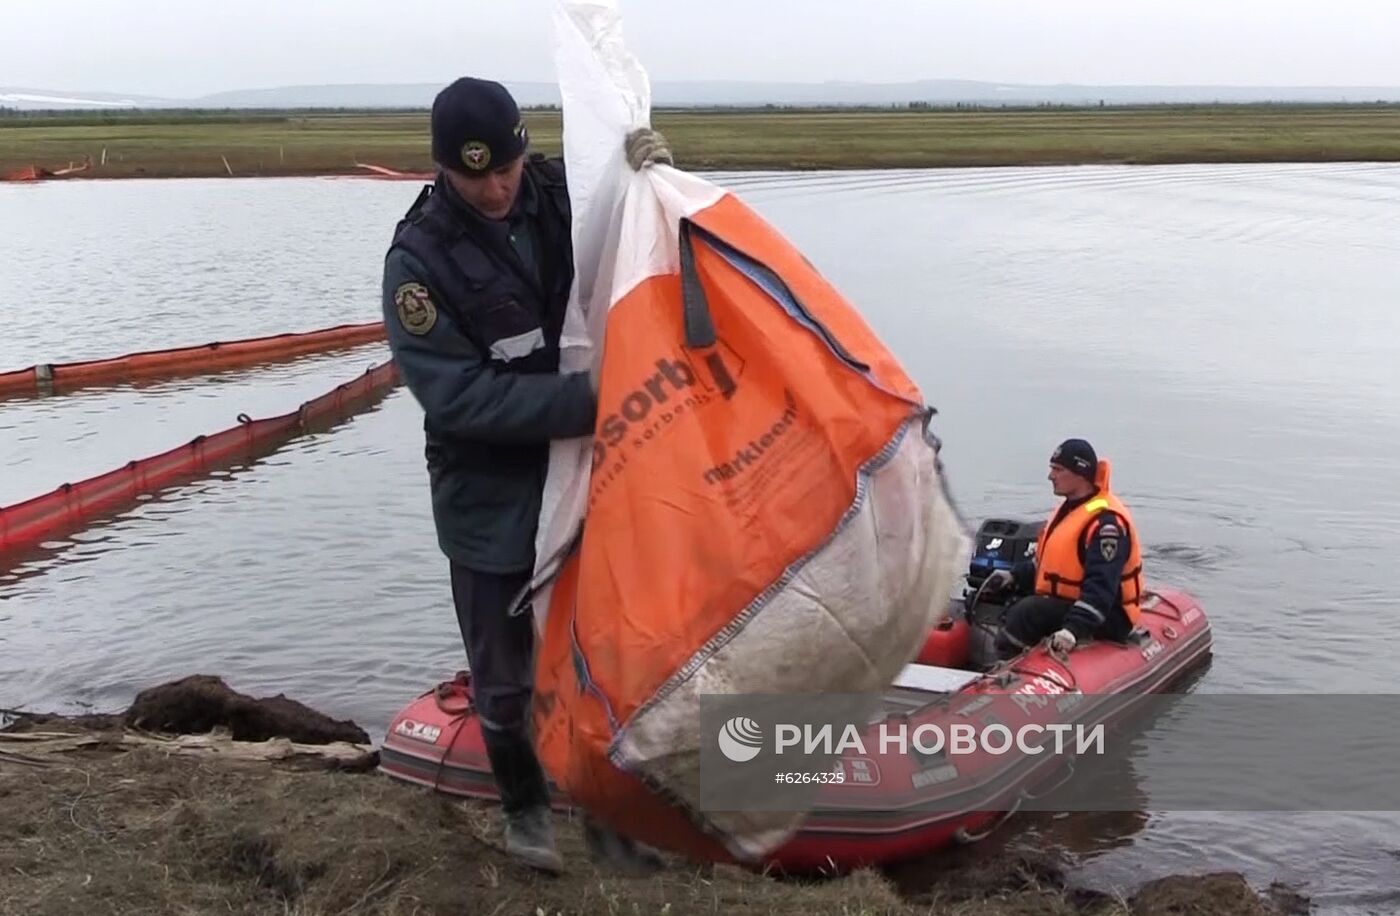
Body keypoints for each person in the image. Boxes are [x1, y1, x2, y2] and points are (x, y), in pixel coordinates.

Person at [381, 76, 672, 874]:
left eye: (507, 166)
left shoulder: (554, 191)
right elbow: (458, 395)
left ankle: (611, 818)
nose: (499, 186)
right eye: (478, 176)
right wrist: (592, 403)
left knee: (604, 658)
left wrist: (657, 177)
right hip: (489, 494)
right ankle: (525, 813)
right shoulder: (418, 264)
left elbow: (632, 217)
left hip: (584, 477)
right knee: (503, 677)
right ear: (445, 171)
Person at [985, 439, 1144, 658]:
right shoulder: (1069, 510)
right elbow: (1049, 565)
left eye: (1058, 470)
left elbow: (1101, 587)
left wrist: (1073, 630)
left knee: (1028, 612)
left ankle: (1003, 669)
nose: (1050, 476)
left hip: (1107, 615)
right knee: (1013, 601)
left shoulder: (1106, 525)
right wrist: (1013, 576)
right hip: (1068, 602)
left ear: (1080, 474)